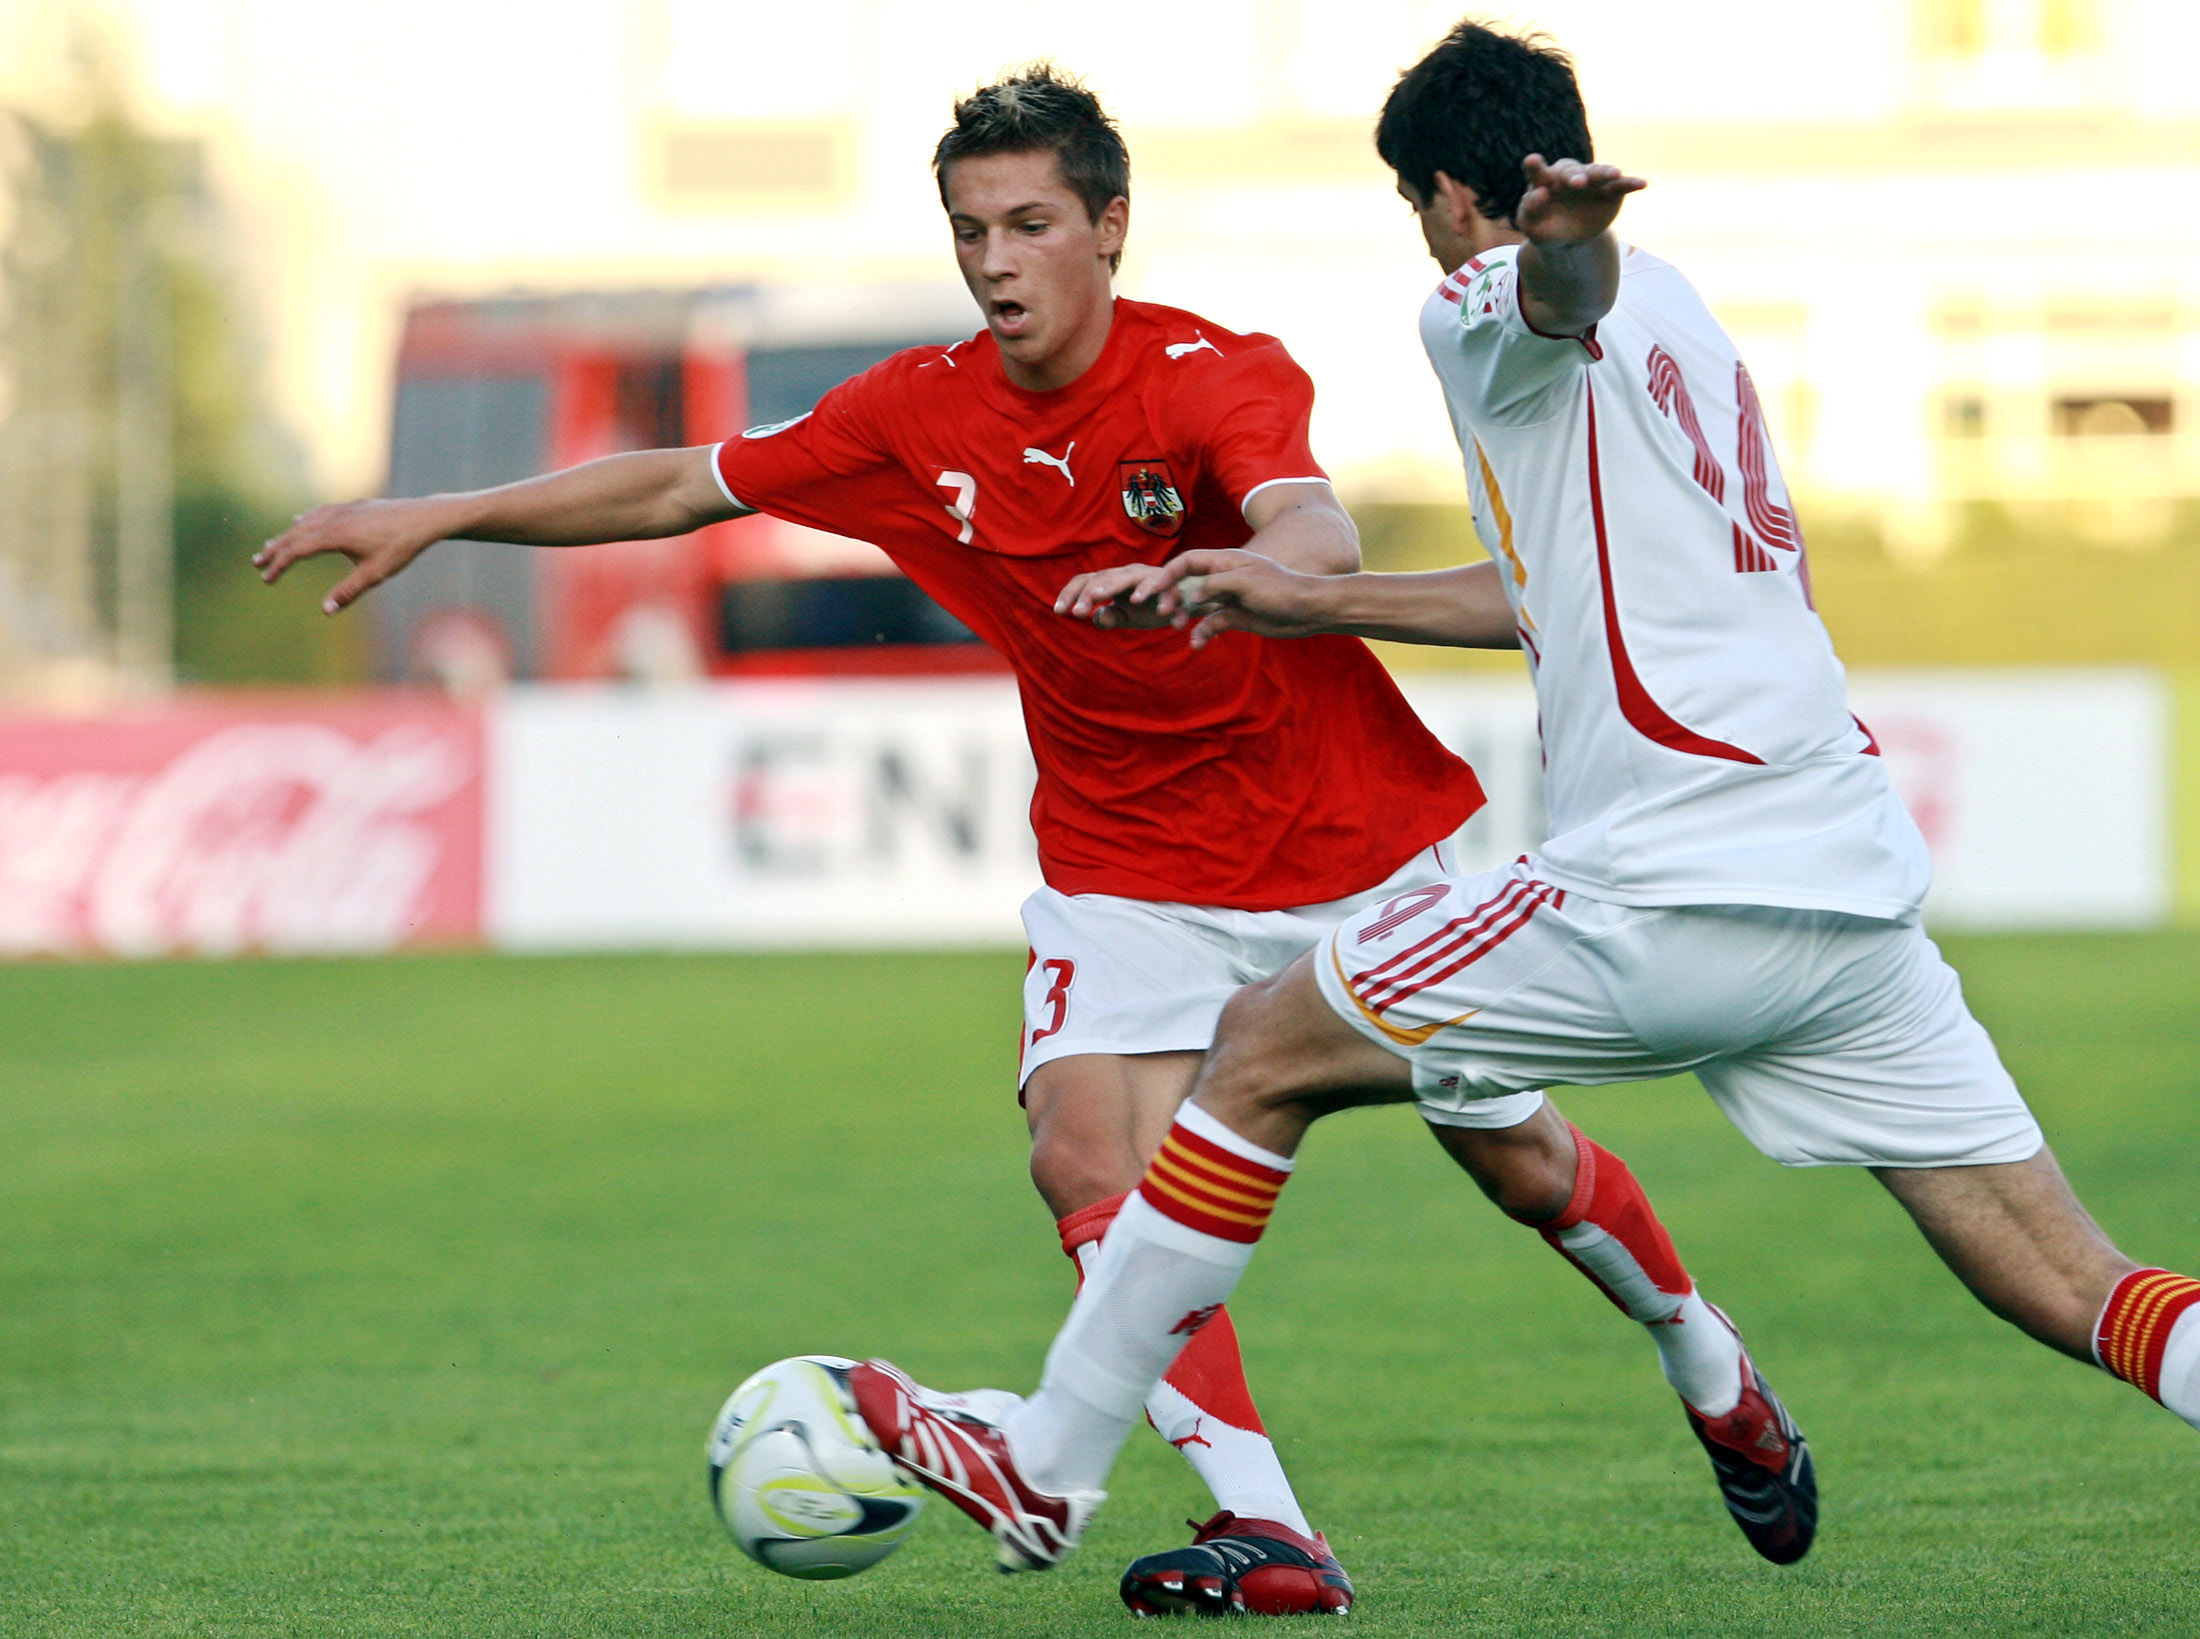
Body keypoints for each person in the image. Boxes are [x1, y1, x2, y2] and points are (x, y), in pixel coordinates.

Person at [255, 63, 1814, 1614]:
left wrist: (1237, 564)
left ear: (1108, 227)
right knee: (1080, 1151)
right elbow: (679, 485)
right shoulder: (911, 416)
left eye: (1027, 225)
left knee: (1514, 1156)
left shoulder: (1214, 371)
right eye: (968, 231)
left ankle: (1708, 1360)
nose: (995, 261)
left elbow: (1309, 526)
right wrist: (441, 513)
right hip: (1123, 867)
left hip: (1351, 845)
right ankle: (1267, 1530)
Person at [845, 21, 2200, 1600]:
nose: (1420, 235)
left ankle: (1046, 1464)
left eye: (1414, 202)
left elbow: (1546, 301)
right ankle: (1675, 1371)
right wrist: (1294, 601)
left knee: (1261, 1047)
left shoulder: (1490, 293)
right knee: (2070, 1276)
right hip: (1845, 893)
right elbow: (1538, 589)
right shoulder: (1690, 324)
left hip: (1664, 880)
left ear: (1445, 191)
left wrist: (1558, 254)